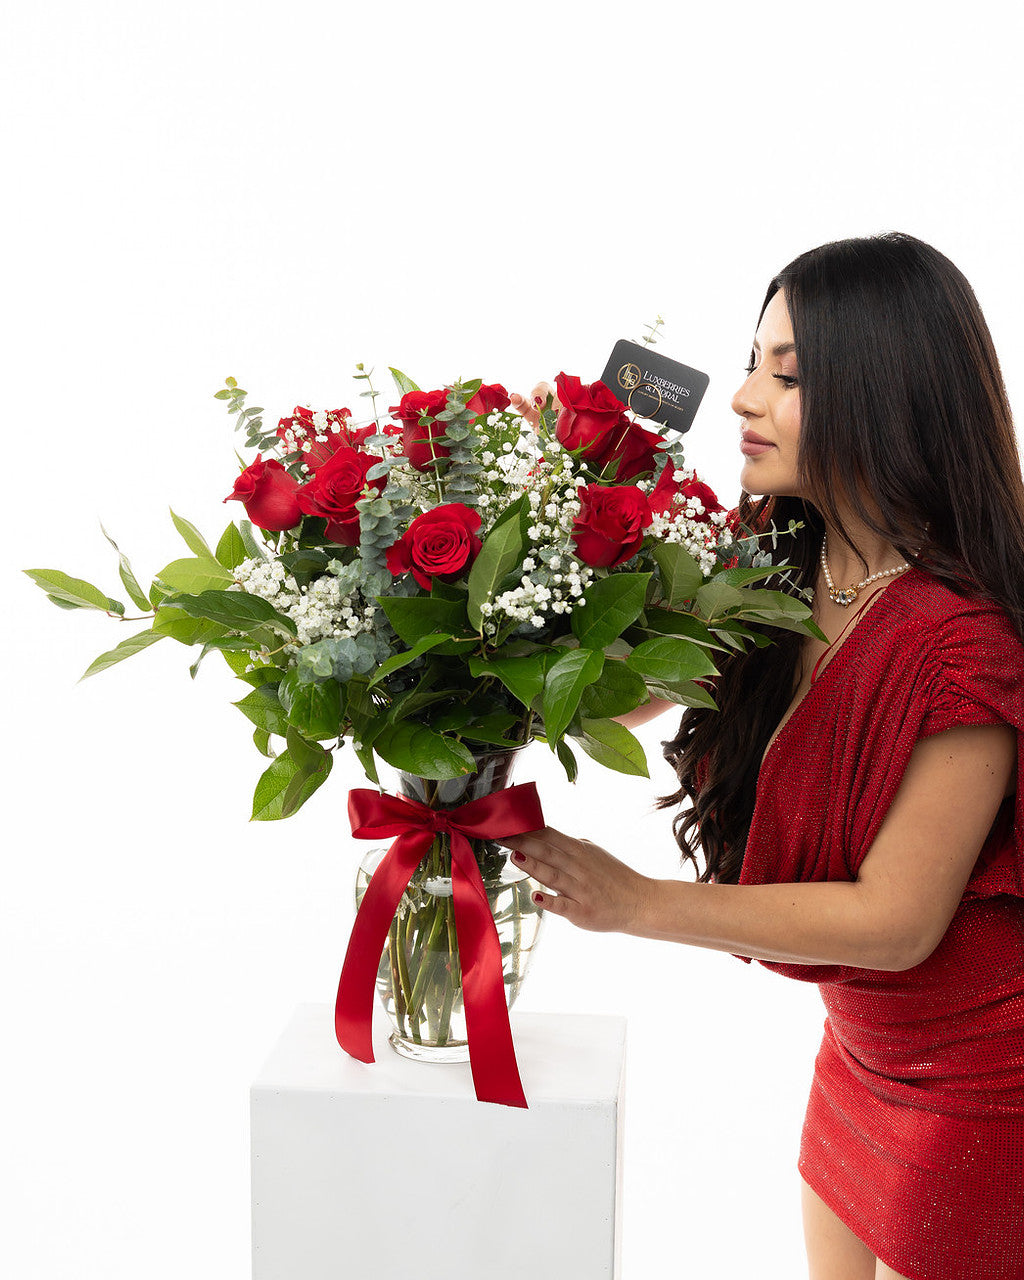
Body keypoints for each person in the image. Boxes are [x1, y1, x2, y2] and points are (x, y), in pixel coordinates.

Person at [504, 231, 1024, 1280]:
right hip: (858, 1056)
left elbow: (894, 919)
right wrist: (544, 517)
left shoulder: (968, 640)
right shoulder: (783, 566)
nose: (740, 398)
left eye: (784, 374)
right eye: (749, 361)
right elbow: (595, 694)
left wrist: (639, 902)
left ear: (885, 392)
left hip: (981, 1088)